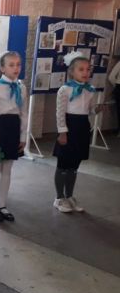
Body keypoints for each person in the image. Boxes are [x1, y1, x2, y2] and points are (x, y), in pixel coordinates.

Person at [53, 51, 103, 213]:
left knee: (74, 166)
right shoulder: (65, 90)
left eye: (88, 69)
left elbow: (90, 110)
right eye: (81, 69)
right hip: (68, 127)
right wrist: (62, 132)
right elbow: (60, 113)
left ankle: (70, 196)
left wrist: (96, 109)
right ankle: (59, 198)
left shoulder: (90, 90)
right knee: (63, 165)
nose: (85, 72)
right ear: (71, 72)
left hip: (82, 128)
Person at [0, 51, 28, 223]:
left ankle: (2, 205)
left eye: (18, 64)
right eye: (11, 65)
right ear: (2, 68)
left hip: (13, 130)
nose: (16, 68)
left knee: (7, 169)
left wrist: (23, 136)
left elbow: (24, 114)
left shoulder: (21, 87)